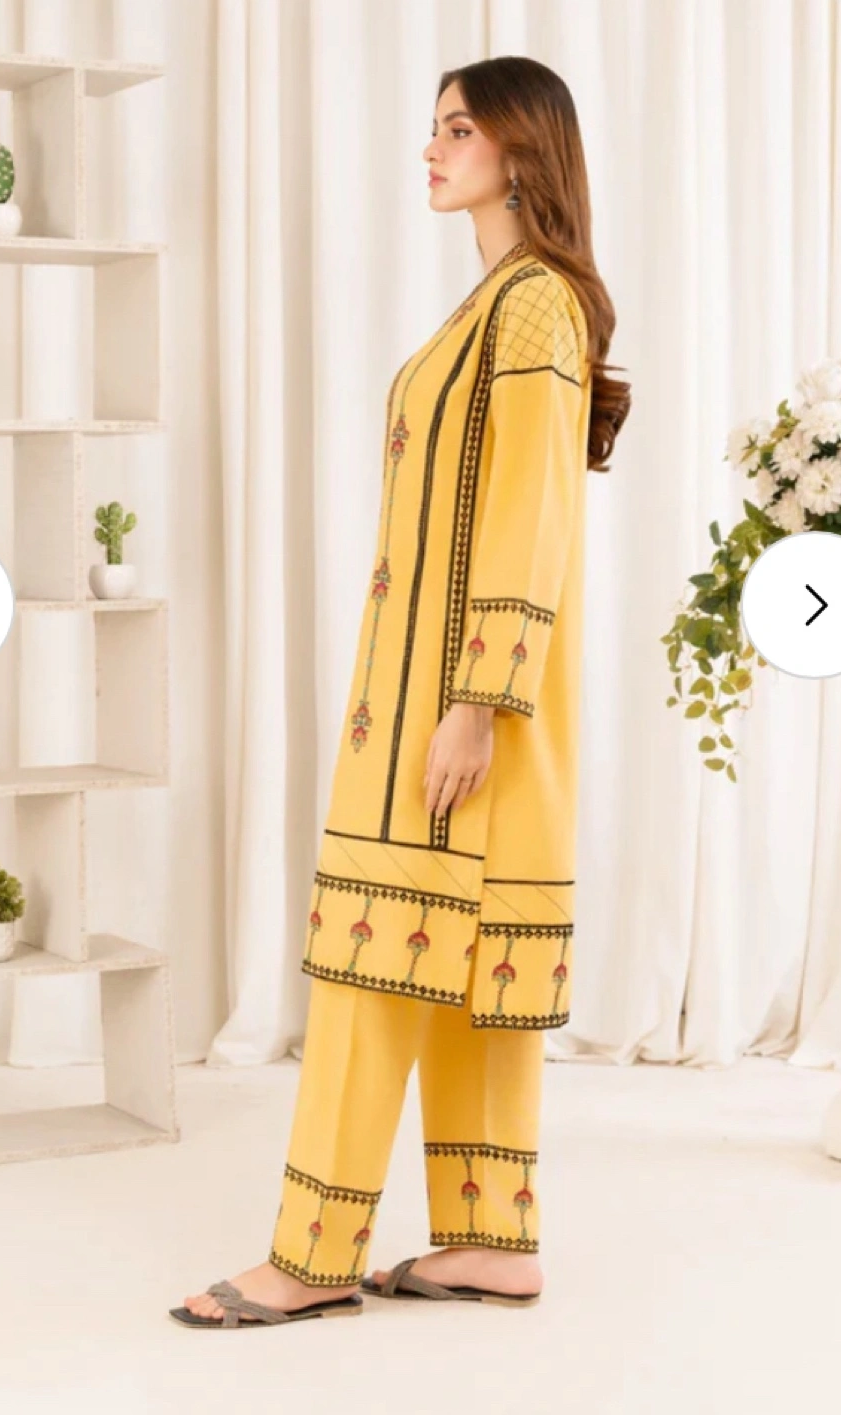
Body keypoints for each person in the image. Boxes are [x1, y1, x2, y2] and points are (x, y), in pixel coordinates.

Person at [172, 53, 630, 1330]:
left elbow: (530, 517)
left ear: (520, 151)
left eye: (457, 129)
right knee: (459, 963)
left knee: (374, 966)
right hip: (437, 699)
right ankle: (490, 1242)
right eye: (434, 128)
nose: (431, 150)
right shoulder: (498, 304)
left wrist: (475, 702)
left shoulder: (531, 308)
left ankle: (311, 1255)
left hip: (460, 706)